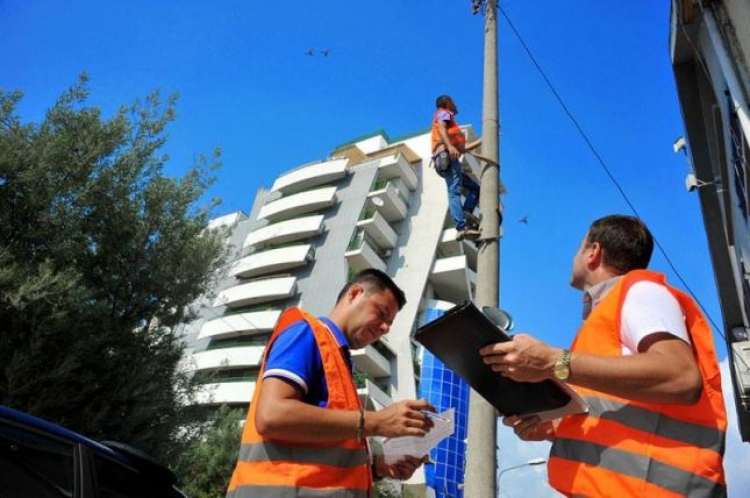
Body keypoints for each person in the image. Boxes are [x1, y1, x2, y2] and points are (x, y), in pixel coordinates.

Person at [479, 215, 727, 497]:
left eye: (578, 248)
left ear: (593, 253)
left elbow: (681, 377)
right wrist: (554, 426)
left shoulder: (641, 293)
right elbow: (620, 413)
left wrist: (552, 362)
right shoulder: (603, 325)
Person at [226, 269, 434, 497]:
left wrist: (379, 467)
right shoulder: (307, 333)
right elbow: (272, 415)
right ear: (355, 294)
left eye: (389, 323)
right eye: (381, 313)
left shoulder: (339, 363)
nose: (385, 327)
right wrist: (377, 421)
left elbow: (321, 455)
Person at [431, 94, 483, 241]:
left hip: (449, 160)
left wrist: (483, 140)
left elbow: (463, 148)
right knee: (454, 191)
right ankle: (461, 227)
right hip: (446, 156)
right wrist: (448, 146)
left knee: (475, 188)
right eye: (454, 102)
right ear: (447, 103)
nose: (456, 105)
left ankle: (465, 213)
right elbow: (441, 128)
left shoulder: (452, 125)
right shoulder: (443, 113)